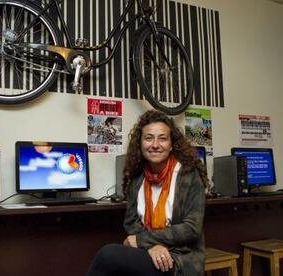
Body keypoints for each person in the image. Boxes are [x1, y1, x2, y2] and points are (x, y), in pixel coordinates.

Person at [87, 110, 208, 276]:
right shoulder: (137, 178)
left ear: (171, 144)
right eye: (149, 138)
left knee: (108, 255)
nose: (155, 144)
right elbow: (131, 223)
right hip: (149, 251)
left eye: (162, 138)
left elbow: (191, 229)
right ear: (140, 143)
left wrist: (143, 240)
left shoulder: (188, 175)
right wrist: (152, 246)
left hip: (180, 258)